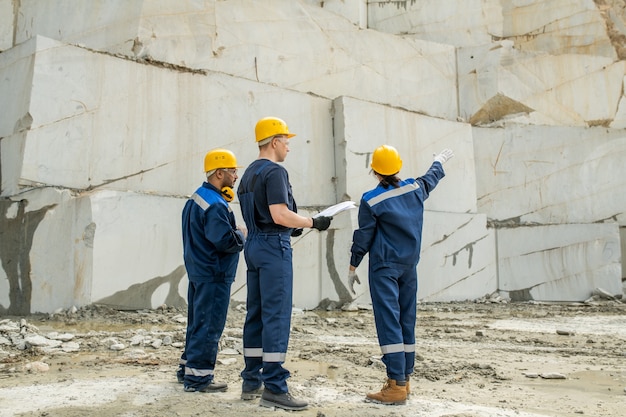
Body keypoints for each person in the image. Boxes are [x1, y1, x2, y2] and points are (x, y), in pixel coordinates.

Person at [236, 117, 333, 411]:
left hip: (253, 245)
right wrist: (312, 222)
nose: (289, 147)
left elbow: (264, 214)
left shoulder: (248, 173)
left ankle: (251, 379)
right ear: (275, 141)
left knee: (256, 313)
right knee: (276, 315)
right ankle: (276, 387)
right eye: (287, 141)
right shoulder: (275, 171)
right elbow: (279, 214)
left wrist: (294, 226)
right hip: (272, 246)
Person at [348, 145, 454, 405]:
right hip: (409, 265)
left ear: (374, 171)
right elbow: (431, 177)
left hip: (384, 266)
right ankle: (404, 380)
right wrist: (438, 161)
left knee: (389, 322)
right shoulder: (414, 189)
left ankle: (395, 384)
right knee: (407, 320)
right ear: (398, 166)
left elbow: (364, 235)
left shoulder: (371, 199)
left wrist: (353, 264)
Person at [176, 148, 247, 393]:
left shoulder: (197, 198)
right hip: (214, 274)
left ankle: (187, 369)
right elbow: (225, 241)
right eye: (233, 171)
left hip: (199, 271)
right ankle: (198, 379)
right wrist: (240, 234)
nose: (236, 176)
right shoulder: (216, 205)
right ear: (219, 173)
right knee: (209, 326)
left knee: (197, 323)